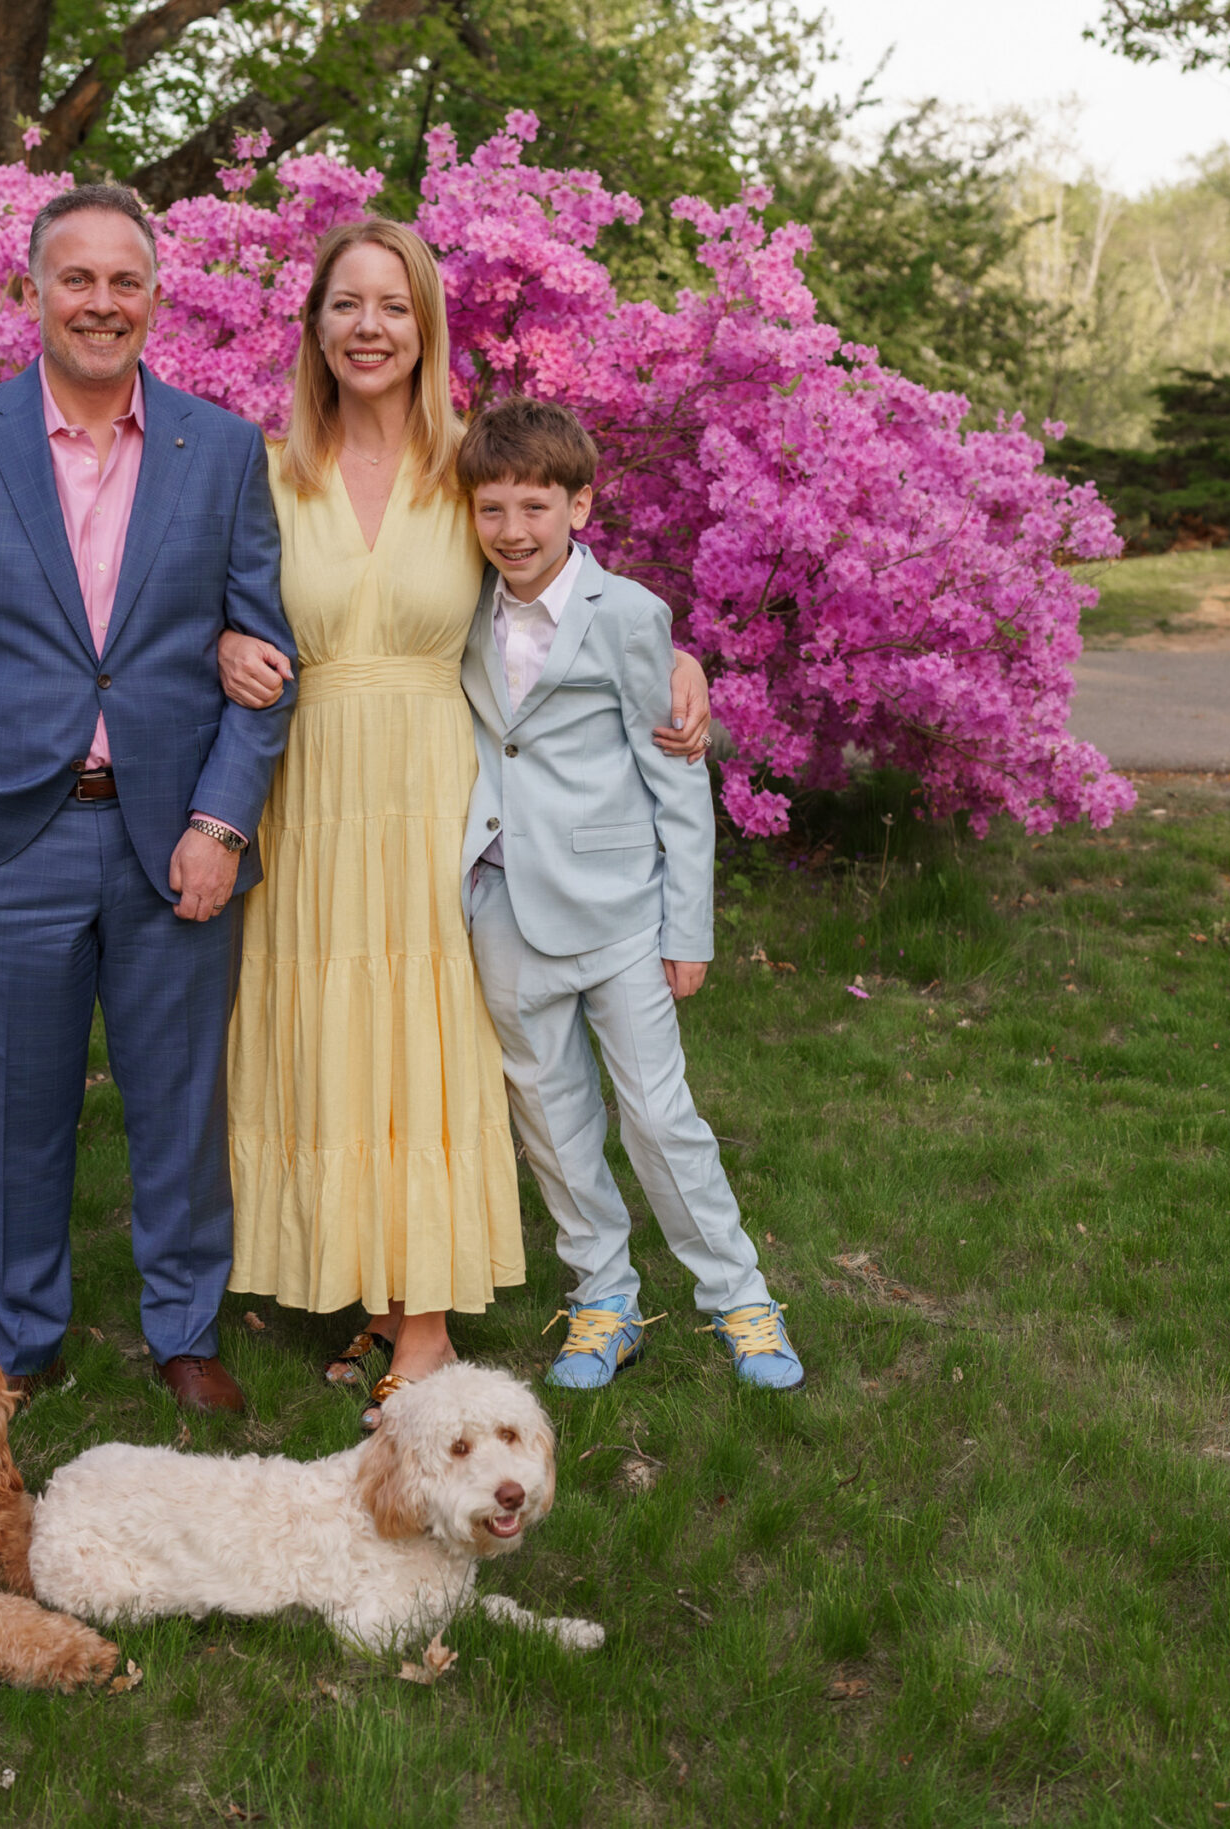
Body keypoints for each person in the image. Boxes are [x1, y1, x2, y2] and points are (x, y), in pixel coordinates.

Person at [214, 221, 714, 1428]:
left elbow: (565, 589)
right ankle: (371, 1291)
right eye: (347, 304)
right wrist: (223, 643)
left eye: (394, 304)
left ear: (425, 325)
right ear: (317, 326)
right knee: (333, 1035)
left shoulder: (463, 466)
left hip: (440, 787)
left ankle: (429, 1317)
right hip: (314, 788)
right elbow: (206, 603)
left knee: (427, 1034)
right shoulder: (265, 472)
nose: (370, 325)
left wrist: (677, 654)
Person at [0, 184, 297, 1414]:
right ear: (32, 294)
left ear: (155, 298)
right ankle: (27, 1332)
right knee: (20, 1108)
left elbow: (261, 658)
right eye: (76, 278)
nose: (100, 301)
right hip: (7, 834)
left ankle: (183, 1326)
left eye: (124, 280)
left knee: (177, 1103)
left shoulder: (218, 449)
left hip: (174, 838)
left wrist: (221, 822)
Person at [454, 397, 802, 1391]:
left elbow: (675, 778)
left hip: (619, 912)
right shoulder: (460, 605)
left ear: (580, 504)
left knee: (658, 1114)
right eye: (491, 509)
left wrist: (684, 926)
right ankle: (603, 1297)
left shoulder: (632, 616)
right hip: (503, 904)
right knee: (553, 1119)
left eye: (533, 505)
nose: (512, 530)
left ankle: (738, 1294)